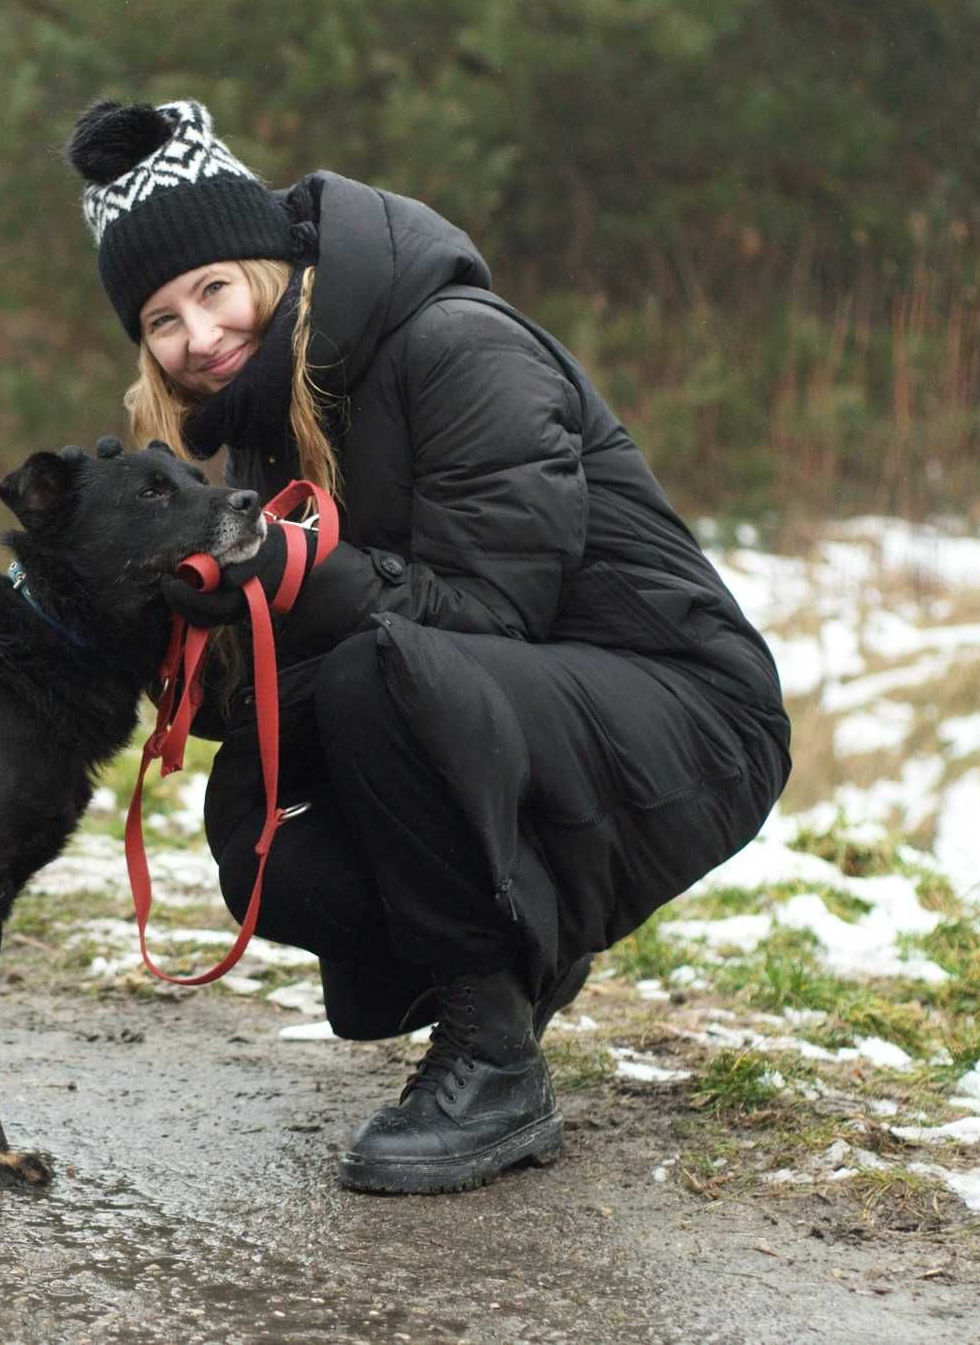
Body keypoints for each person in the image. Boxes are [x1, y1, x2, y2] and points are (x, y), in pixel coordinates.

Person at [65, 98, 791, 1195]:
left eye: (212, 290)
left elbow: (493, 613)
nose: (196, 337)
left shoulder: (452, 342)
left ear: (267, 266)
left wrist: (294, 577)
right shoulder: (267, 410)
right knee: (257, 833)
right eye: (160, 320)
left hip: (688, 712)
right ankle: (520, 935)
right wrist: (176, 627)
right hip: (520, 706)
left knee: (375, 679)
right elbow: (318, 646)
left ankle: (492, 1057)